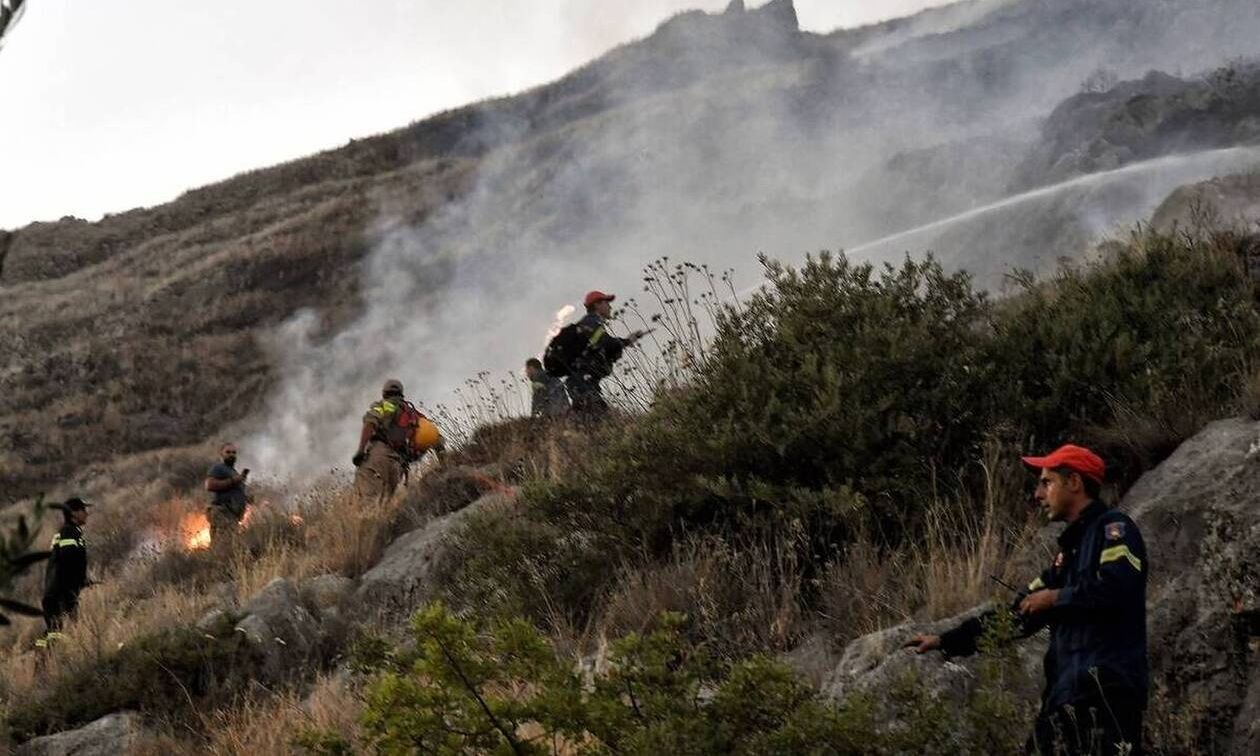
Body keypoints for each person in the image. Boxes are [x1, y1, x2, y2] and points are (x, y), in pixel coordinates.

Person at [906, 444, 1148, 755]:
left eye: (1046, 482)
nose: (1037, 494)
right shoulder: (1065, 558)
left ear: (1074, 483)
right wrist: (946, 640)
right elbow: (1016, 616)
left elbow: (1116, 588)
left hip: (1108, 695)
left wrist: (1055, 598)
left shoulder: (1115, 528)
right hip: (1065, 700)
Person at [565, 291, 646, 415]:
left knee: (586, 422)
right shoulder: (590, 323)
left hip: (583, 383)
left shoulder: (591, 324)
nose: (610, 307)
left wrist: (624, 343)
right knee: (599, 419)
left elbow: (602, 350)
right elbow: (606, 343)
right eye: (606, 303)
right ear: (597, 305)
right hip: (583, 384)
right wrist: (627, 341)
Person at [353, 378, 425, 502]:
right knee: (384, 502)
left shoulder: (383, 406)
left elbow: (370, 424)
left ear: (384, 393)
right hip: (399, 465)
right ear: (401, 394)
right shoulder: (413, 414)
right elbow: (435, 436)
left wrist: (360, 451)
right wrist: (443, 460)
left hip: (379, 456)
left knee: (366, 501)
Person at [39, 497, 91, 641]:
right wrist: (78, 581)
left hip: (56, 592)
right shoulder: (69, 532)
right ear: (73, 513)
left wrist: (83, 580)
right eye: (83, 510)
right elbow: (68, 559)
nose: (86, 513)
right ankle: (45, 658)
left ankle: (40, 657)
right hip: (61, 593)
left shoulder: (67, 532)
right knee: (59, 634)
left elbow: (63, 562)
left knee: (54, 632)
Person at [204, 443, 250, 546]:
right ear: (221, 454)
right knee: (223, 545)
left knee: (229, 546)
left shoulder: (233, 472)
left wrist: (247, 498)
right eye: (228, 452)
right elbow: (209, 485)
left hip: (232, 516)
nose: (231, 454)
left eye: (234, 452)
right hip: (221, 512)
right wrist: (234, 480)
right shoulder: (218, 468)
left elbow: (235, 492)